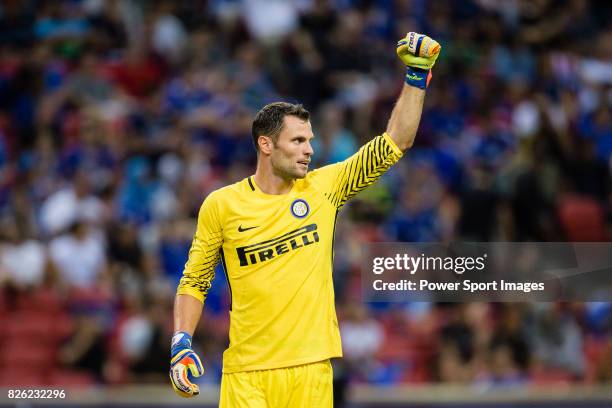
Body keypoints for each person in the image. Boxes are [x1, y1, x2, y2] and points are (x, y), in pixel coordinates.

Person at [169, 32, 441, 407]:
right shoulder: (222, 204)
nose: (309, 150)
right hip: (247, 375)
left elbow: (397, 141)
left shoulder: (325, 187)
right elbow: (195, 280)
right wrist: (181, 342)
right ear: (266, 145)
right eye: (298, 141)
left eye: (310, 140)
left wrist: (416, 74)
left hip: (311, 371)